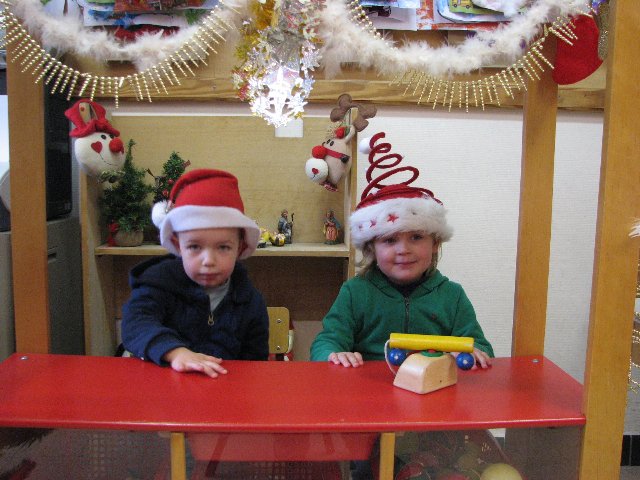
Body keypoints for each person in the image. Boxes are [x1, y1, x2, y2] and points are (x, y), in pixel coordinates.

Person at [311, 135, 493, 369]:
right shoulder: (355, 293)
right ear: (371, 248)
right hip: (369, 386)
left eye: (416, 237)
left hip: (434, 385)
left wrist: (474, 353)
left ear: (435, 243)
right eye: (389, 240)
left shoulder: (452, 296)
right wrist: (333, 354)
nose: (403, 250)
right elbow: (327, 341)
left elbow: (480, 347)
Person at [121, 169, 268, 378]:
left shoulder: (250, 301)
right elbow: (135, 324)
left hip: (222, 389)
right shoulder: (158, 284)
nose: (208, 261)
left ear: (240, 248)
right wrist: (175, 352)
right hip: (162, 387)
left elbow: (254, 364)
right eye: (194, 247)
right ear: (177, 245)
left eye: (223, 247)